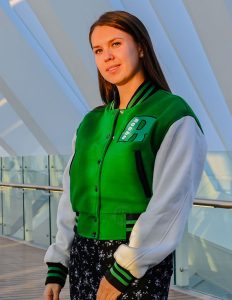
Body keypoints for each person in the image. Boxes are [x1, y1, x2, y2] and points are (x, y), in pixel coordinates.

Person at [43, 10, 207, 300]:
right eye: (98, 49)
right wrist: (58, 264)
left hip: (136, 260)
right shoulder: (90, 122)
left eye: (116, 44)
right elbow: (72, 197)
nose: (107, 56)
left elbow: (171, 201)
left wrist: (125, 269)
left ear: (141, 47)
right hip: (84, 255)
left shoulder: (173, 115)